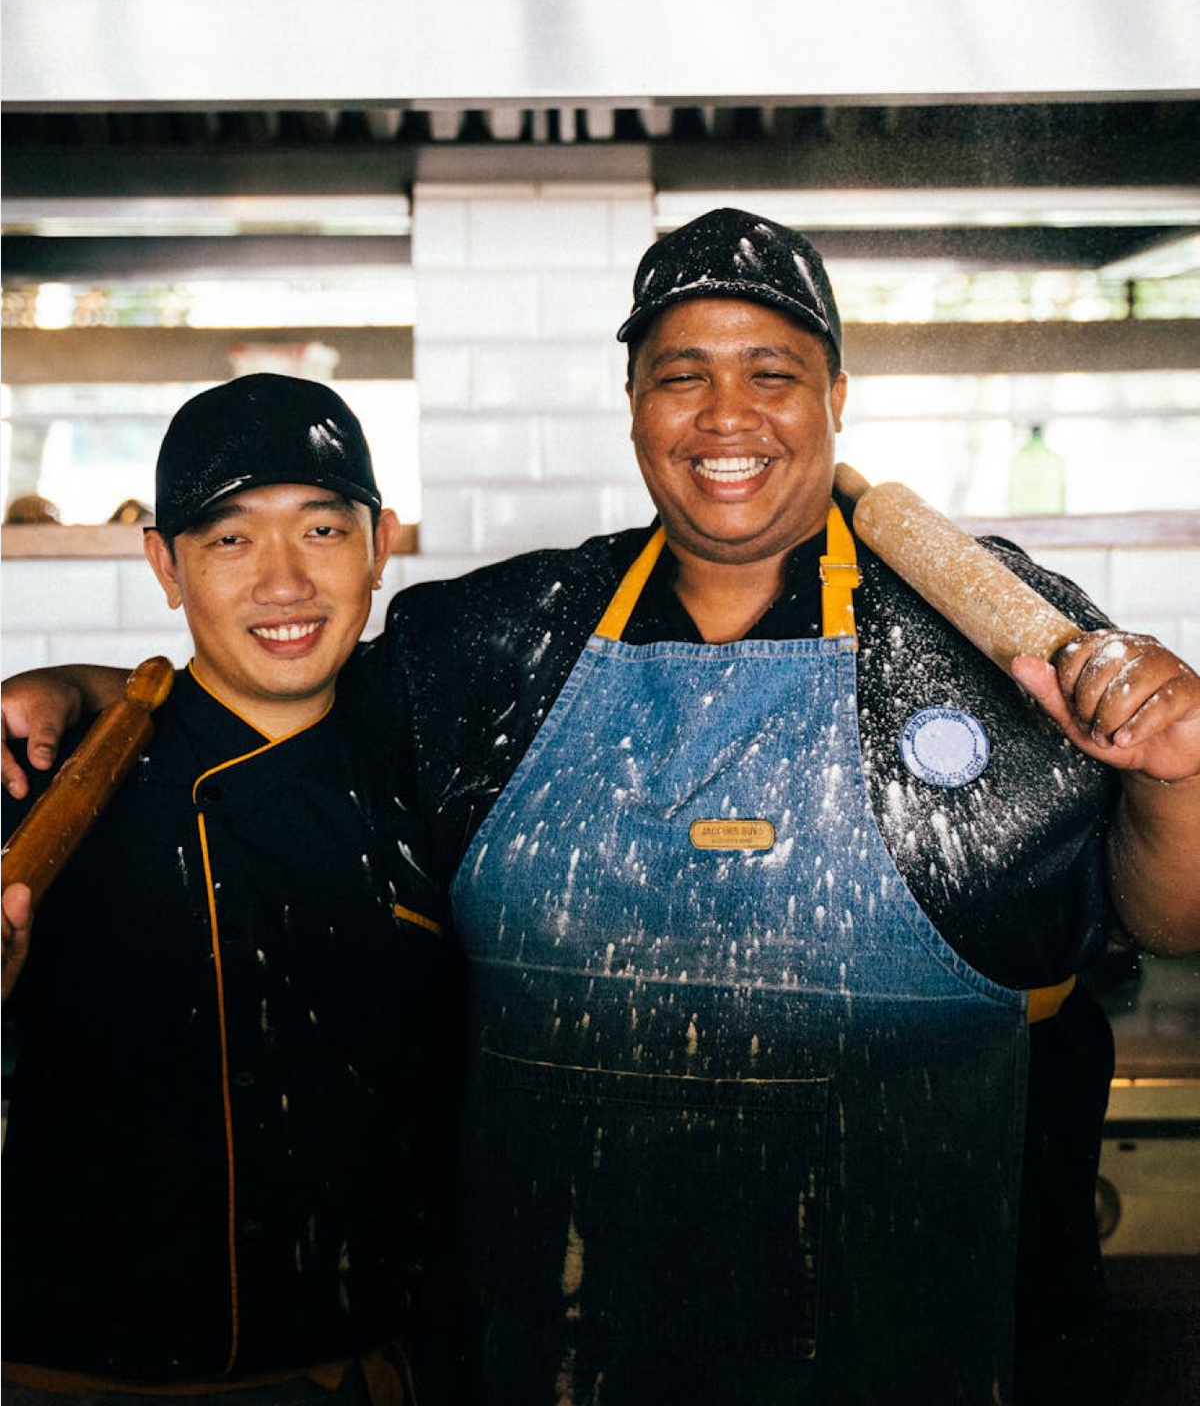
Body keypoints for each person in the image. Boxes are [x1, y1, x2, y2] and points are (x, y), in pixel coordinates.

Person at [4, 211, 1198, 1405]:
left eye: (770, 373)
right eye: (683, 376)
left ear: (837, 391)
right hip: (557, 1348)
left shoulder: (993, 628)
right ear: (633, 403)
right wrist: (99, 695)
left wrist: (1177, 771)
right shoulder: (491, 641)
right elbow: (274, 699)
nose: (726, 416)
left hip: (910, 1338)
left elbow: (1167, 916)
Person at [0, 376, 463, 1406]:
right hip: (71, 1383)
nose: (285, 582)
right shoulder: (49, 787)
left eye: (323, 529)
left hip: (358, 1379)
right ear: (164, 563)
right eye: (229, 540)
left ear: (379, 544)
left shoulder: (436, 777)